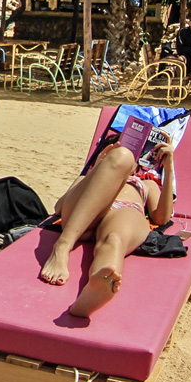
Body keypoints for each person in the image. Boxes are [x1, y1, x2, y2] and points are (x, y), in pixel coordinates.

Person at [39, 134, 176, 318]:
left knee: (114, 239)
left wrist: (169, 169)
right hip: (83, 215)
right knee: (123, 157)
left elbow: (161, 218)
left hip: (123, 211)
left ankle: (98, 286)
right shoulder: (87, 178)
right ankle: (62, 246)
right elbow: (59, 208)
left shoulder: (146, 184)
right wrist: (97, 170)